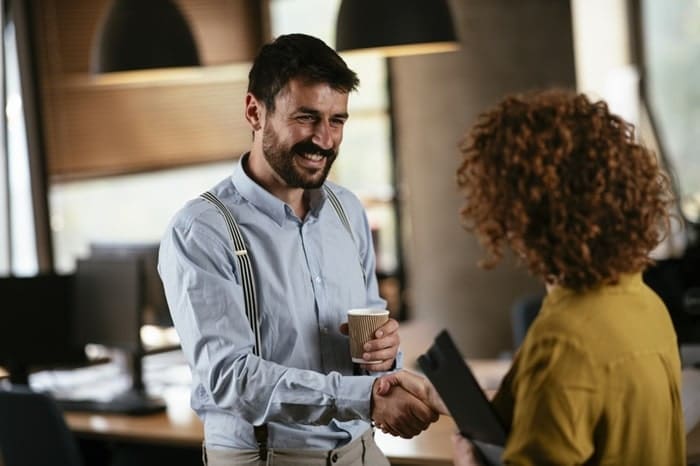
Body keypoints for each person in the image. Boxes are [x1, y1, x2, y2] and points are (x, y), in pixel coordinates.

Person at [158, 33, 438, 466]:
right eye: (307, 118)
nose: (324, 140)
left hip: (361, 453)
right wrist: (364, 398)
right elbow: (231, 379)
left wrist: (385, 356)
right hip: (267, 457)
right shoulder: (202, 230)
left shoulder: (346, 210)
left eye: (337, 121)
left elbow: (372, 341)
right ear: (255, 111)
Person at [378, 89, 685, 465]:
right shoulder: (644, 304)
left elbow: (565, 388)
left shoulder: (565, 340)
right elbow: (555, 408)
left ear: (521, 213)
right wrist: (437, 395)